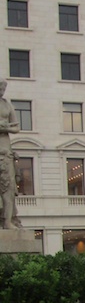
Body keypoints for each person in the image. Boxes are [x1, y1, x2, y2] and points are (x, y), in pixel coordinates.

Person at [0, 77, 21, 230]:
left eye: (3, 88)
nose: (2, 91)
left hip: (5, 150)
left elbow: (16, 127)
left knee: (8, 188)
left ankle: (8, 221)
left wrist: (4, 127)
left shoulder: (7, 104)